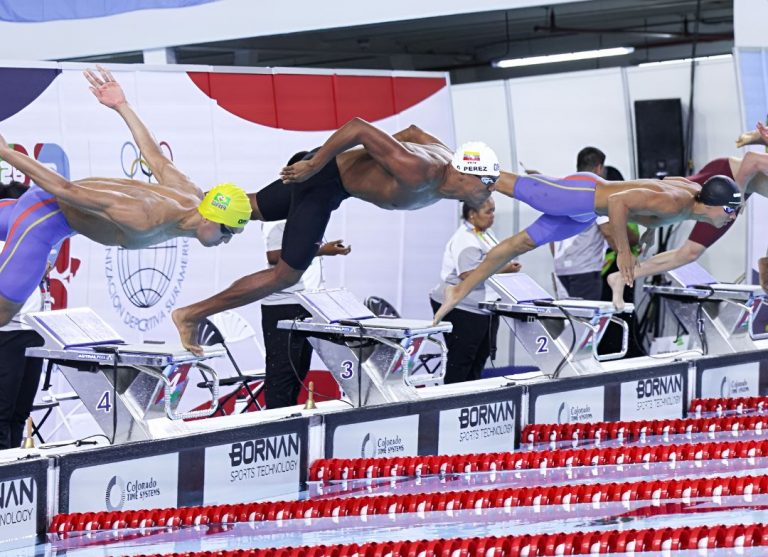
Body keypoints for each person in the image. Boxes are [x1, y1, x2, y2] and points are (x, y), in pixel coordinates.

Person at [171, 126, 501, 355]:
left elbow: (412, 132)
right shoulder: (418, 169)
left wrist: (366, 158)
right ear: (463, 175)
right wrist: (316, 165)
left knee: (252, 208)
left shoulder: (447, 161)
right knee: (285, 275)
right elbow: (358, 127)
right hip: (323, 181)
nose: (489, 192)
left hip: (329, 175)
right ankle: (191, 315)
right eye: (486, 183)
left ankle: (178, 204)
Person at [0, 66, 251, 327]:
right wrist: (6, 153)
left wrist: (122, 105)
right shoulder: (144, 215)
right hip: (41, 222)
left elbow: (154, 154)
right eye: (227, 232)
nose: (226, 240)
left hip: (48, 211)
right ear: (209, 217)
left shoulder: (189, 193)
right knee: (3, 315)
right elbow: (65, 189)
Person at [432, 167, 741, 324]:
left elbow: (661, 185)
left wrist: (649, 232)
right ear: (712, 204)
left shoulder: (693, 194)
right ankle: (443, 162)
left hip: (585, 214)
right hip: (579, 194)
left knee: (520, 244)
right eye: (730, 211)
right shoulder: (675, 203)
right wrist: (623, 253)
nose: (731, 218)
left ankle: (458, 291)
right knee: (496, 179)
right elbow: (619, 202)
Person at [606, 138, 768, 309]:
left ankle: (621, 277)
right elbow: (751, 159)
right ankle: (604, 208)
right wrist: (738, 197)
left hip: (734, 192)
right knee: (657, 200)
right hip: (724, 178)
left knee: (689, 253)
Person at [261, 152, 351, 409]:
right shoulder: (278, 213)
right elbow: (273, 256)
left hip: (305, 302)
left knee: (299, 369)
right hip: (283, 305)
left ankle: (290, 419)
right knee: (282, 373)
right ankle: (276, 423)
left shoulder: (305, 209)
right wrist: (323, 250)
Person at [429, 198, 521, 384]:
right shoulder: (465, 239)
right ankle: (452, 398)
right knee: (462, 360)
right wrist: (505, 269)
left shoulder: (484, 233)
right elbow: (467, 274)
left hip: (482, 306)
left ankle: (471, 396)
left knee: (479, 358)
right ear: (472, 214)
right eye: (488, 211)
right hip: (462, 307)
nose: (492, 216)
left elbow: (491, 262)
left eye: (493, 211)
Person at [0, 181, 45, 450]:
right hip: (6, 337)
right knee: (3, 414)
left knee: (20, 413)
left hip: (33, 332)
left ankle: (16, 465)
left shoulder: (32, 241)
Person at [551, 147, 614, 300]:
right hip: (586, 270)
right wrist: (626, 254)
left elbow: (551, 235)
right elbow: (608, 231)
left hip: (561, 270)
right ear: (599, 168)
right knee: (585, 315)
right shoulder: (595, 193)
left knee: (568, 314)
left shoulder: (562, 192)